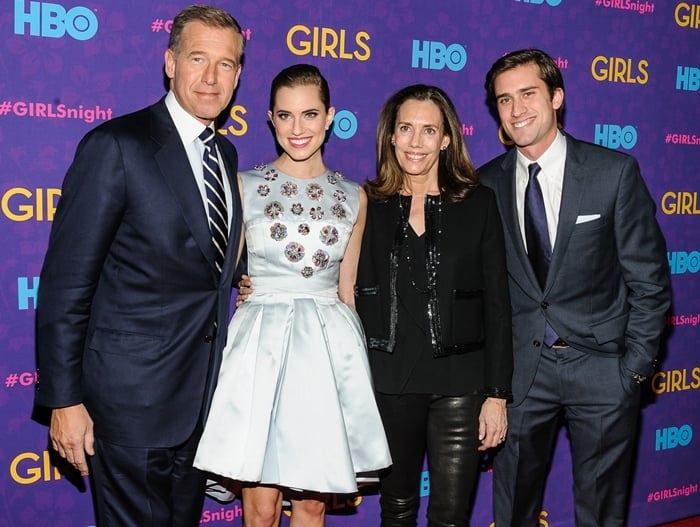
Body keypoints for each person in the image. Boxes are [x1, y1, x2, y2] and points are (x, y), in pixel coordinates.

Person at [34, 5, 246, 526]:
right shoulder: (116, 146)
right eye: (198, 58)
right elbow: (66, 285)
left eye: (227, 64)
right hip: (129, 403)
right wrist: (64, 401)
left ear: (239, 74)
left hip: (201, 404)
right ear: (169, 62)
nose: (211, 77)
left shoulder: (227, 155)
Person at [478, 49, 671, 527]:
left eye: (528, 94)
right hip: (521, 375)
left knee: (602, 512)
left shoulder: (613, 172)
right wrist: (491, 384)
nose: (517, 109)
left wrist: (632, 371)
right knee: (514, 510)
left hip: (602, 369)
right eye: (505, 100)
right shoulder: (484, 186)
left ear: (556, 97)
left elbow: (649, 280)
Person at [194, 63, 392, 527]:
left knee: (313, 504)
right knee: (260, 508)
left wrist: (356, 375)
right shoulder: (242, 185)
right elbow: (221, 277)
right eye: (285, 116)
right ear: (270, 119)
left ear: (330, 117)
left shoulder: (355, 196)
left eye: (309, 114)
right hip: (259, 346)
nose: (297, 128)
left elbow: (348, 290)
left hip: (327, 350)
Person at [355, 84, 513, 526]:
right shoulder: (369, 204)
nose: (415, 142)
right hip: (389, 381)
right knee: (398, 507)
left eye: (429, 131)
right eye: (406, 128)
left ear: (447, 139)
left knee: (450, 514)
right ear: (391, 135)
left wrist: (497, 395)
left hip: (461, 385)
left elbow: (498, 306)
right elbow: (337, 280)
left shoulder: (478, 204)